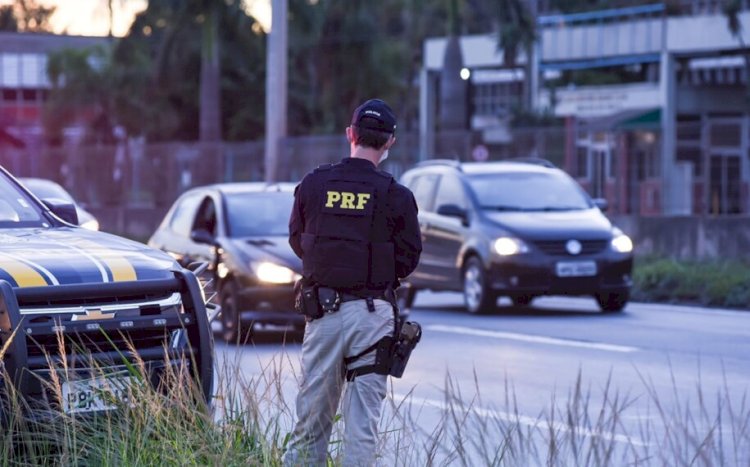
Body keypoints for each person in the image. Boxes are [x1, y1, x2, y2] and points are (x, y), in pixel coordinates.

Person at [284, 98, 422, 466]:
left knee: (311, 424)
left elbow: (298, 240)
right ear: (389, 142)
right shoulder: (397, 196)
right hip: (373, 319)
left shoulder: (313, 184)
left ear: (351, 134)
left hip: (323, 315)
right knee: (362, 429)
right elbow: (408, 259)